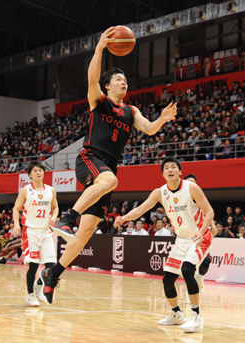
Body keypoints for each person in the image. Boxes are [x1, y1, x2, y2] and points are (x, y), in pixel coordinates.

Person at [41, 26, 177, 304]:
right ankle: (67, 217)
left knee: (87, 233)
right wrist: (100, 48)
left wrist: (162, 119)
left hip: (107, 168)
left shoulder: (131, 111)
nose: (123, 82)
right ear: (108, 86)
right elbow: (91, 79)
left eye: (125, 79)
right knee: (110, 182)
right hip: (90, 158)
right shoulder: (99, 101)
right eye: (118, 79)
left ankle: (52, 275)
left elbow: (149, 129)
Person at [114, 157, 214, 333]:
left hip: (199, 236)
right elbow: (140, 210)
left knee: (188, 270)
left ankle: (196, 317)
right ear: (162, 173)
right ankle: (176, 314)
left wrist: (202, 230)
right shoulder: (159, 192)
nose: (170, 170)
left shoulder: (191, 188)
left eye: (173, 167)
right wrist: (124, 218)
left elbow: (209, 211)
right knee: (168, 279)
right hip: (181, 239)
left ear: (180, 171)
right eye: (166, 167)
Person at [12, 161, 59, 307]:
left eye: (41, 170)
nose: (39, 173)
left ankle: (39, 286)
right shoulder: (26, 190)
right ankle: (30, 294)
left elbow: (56, 207)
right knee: (33, 266)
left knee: (51, 266)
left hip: (46, 231)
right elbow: (16, 208)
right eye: (36, 171)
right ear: (30, 175)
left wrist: (54, 216)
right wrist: (17, 224)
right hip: (30, 230)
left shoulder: (51, 190)